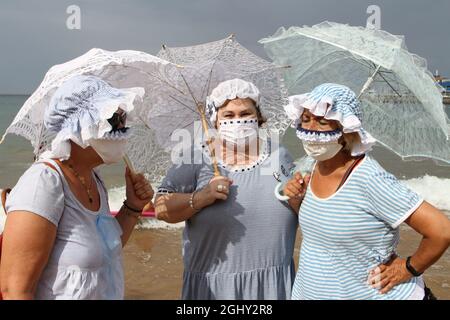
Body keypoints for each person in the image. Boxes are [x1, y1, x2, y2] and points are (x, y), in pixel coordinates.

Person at [280, 83, 450, 300]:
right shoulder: (314, 167)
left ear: (346, 130)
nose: (311, 128)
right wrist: (296, 199)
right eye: (306, 119)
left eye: (322, 121)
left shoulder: (368, 177)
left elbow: (441, 230)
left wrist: (408, 268)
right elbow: (322, 227)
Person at [0, 75, 154, 300]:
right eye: (113, 120)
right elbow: (15, 290)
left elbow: (103, 252)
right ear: (79, 125)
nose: (122, 128)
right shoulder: (43, 183)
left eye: (123, 119)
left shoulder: (93, 179)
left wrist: (132, 207)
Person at [155, 78, 298, 299]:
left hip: (274, 288)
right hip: (213, 289)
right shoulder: (195, 157)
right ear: (215, 120)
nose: (238, 121)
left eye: (245, 114)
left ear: (258, 117)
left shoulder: (279, 155)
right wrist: (201, 197)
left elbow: (300, 205)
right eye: (229, 115)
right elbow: (161, 208)